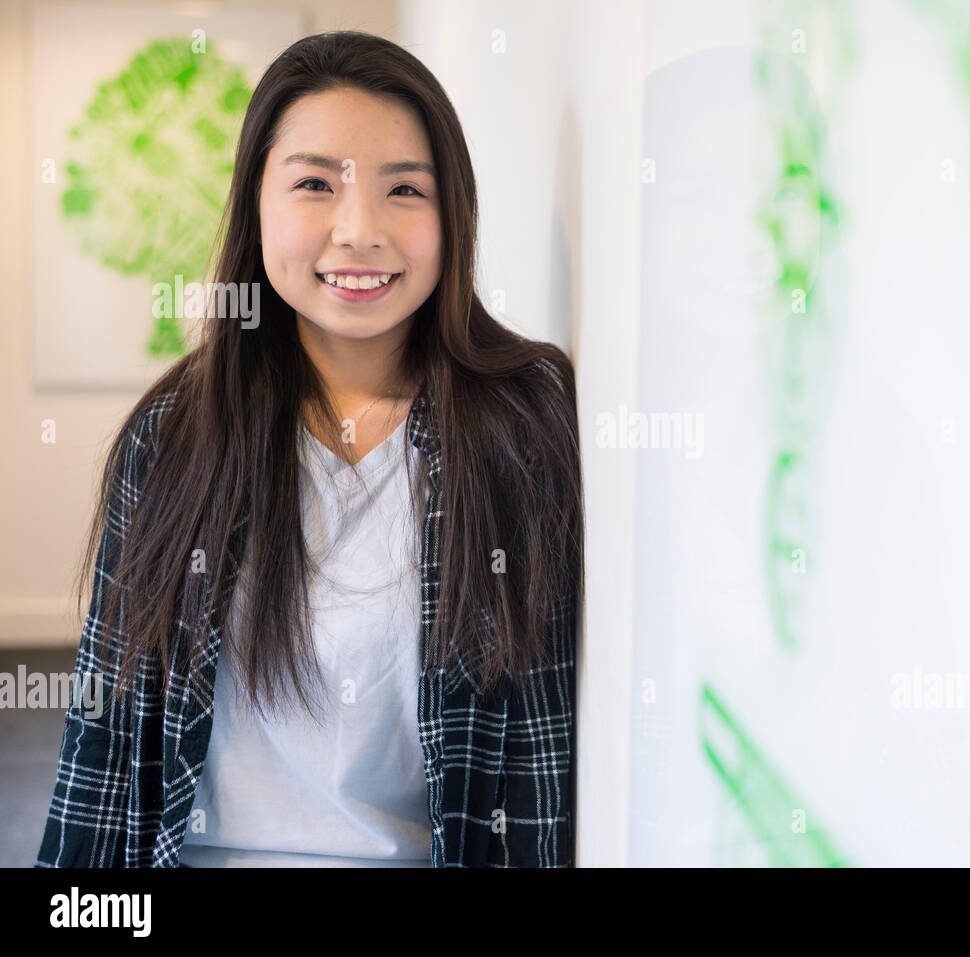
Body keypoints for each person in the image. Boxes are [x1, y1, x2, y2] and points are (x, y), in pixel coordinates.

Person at [35, 30, 583, 868]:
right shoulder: (175, 435)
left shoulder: (517, 434)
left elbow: (539, 770)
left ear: (455, 212)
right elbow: (104, 755)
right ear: (257, 206)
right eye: (316, 184)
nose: (359, 231)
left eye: (405, 189)